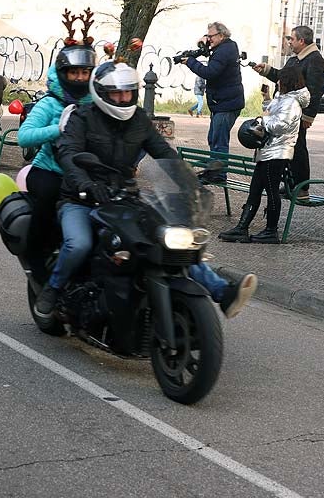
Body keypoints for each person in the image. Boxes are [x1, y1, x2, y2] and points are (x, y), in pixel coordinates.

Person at [34, 61, 256, 318]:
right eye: (116, 93)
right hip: (80, 199)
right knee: (79, 243)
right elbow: (68, 154)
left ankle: (222, 293)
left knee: (169, 241)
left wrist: (191, 181)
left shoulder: (138, 119)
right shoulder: (82, 118)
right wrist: (87, 185)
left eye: (128, 92)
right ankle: (53, 288)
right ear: (101, 93)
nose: (123, 98)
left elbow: (163, 152)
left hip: (124, 197)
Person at [17, 44, 94, 283]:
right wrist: (57, 128)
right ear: (64, 73)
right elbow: (24, 136)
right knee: (51, 195)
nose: (80, 77)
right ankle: (35, 257)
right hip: (49, 169)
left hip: (85, 173)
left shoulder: (97, 101)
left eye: (85, 72)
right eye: (74, 72)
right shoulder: (50, 103)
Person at [219, 67, 308, 244]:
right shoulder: (282, 98)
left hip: (278, 152)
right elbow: (274, 113)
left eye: (281, 79)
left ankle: (271, 231)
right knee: (255, 190)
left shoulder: (292, 102)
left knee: (271, 190)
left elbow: (280, 125)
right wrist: (266, 100)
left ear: (288, 81)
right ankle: (242, 228)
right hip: (267, 149)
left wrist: (262, 121)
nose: (278, 82)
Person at [253, 26, 324, 199]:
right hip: (286, 110)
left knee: (298, 148)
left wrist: (308, 116)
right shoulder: (295, 59)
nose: (289, 42)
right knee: (288, 149)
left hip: (298, 113)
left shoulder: (314, 59)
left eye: (291, 39)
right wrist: (267, 70)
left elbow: (316, 90)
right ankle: (291, 183)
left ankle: (302, 188)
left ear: (301, 40)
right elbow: (285, 77)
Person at [184, 22, 245, 177]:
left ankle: (218, 175)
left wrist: (190, 61)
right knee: (213, 138)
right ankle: (214, 171)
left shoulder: (224, 51)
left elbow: (210, 72)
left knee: (219, 141)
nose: (208, 39)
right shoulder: (224, 47)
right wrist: (202, 46)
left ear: (221, 35)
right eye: (208, 36)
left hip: (227, 104)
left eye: (210, 36)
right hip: (222, 102)